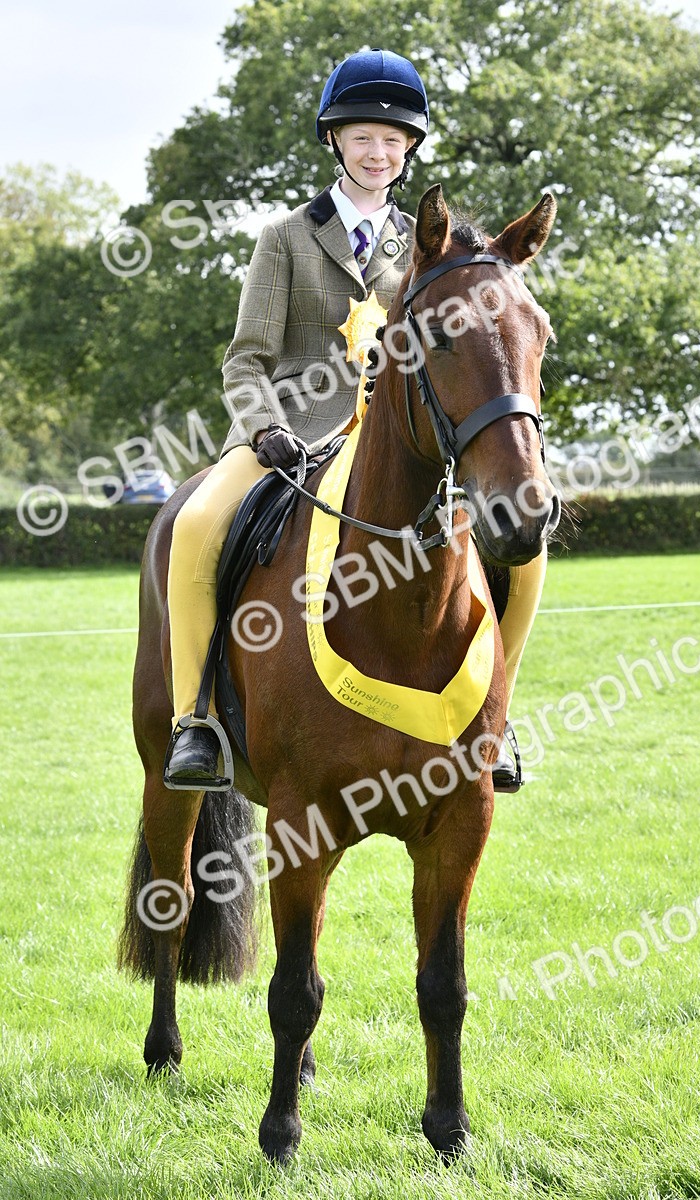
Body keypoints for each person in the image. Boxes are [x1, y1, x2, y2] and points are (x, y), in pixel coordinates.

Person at [164, 48, 546, 793]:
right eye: (363, 136)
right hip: (290, 435)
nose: (378, 152)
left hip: (399, 444)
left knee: (525, 554)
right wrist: (262, 428)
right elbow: (245, 360)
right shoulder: (284, 238)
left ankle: (496, 717)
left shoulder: (431, 248)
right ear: (334, 140)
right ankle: (194, 718)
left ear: (408, 151)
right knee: (196, 525)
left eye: (392, 140)